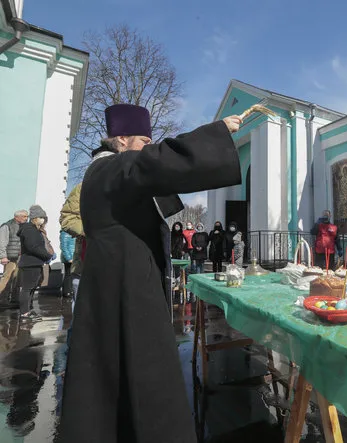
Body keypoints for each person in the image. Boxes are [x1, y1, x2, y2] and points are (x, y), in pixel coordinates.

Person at [58, 103, 242, 442]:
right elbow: (155, 161)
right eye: (144, 139)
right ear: (122, 140)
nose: (148, 145)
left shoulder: (107, 173)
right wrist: (215, 134)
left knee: (112, 377)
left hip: (118, 284)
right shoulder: (109, 168)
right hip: (127, 289)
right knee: (146, 381)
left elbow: (153, 180)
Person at [17, 205, 53, 320]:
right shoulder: (29, 230)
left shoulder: (34, 229)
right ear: (35, 218)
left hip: (35, 262)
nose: (43, 220)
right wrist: (47, 255)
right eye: (41, 217)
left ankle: (28, 309)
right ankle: (24, 313)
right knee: (27, 288)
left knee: (31, 288)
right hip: (30, 263)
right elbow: (33, 247)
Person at [60, 183, 86, 310]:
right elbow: (68, 218)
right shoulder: (88, 184)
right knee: (82, 313)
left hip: (131, 266)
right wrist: (93, 230)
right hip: (86, 263)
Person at [0, 209, 28, 309]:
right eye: (24, 216)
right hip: (10, 257)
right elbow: (2, 242)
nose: (26, 218)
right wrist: (3, 256)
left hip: (20, 257)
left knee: (18, 278)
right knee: (7, 277)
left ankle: (14, 299)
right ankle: (2, 299)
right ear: (17, 217)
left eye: (27, 216)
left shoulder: (25, 226)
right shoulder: (7, 226)